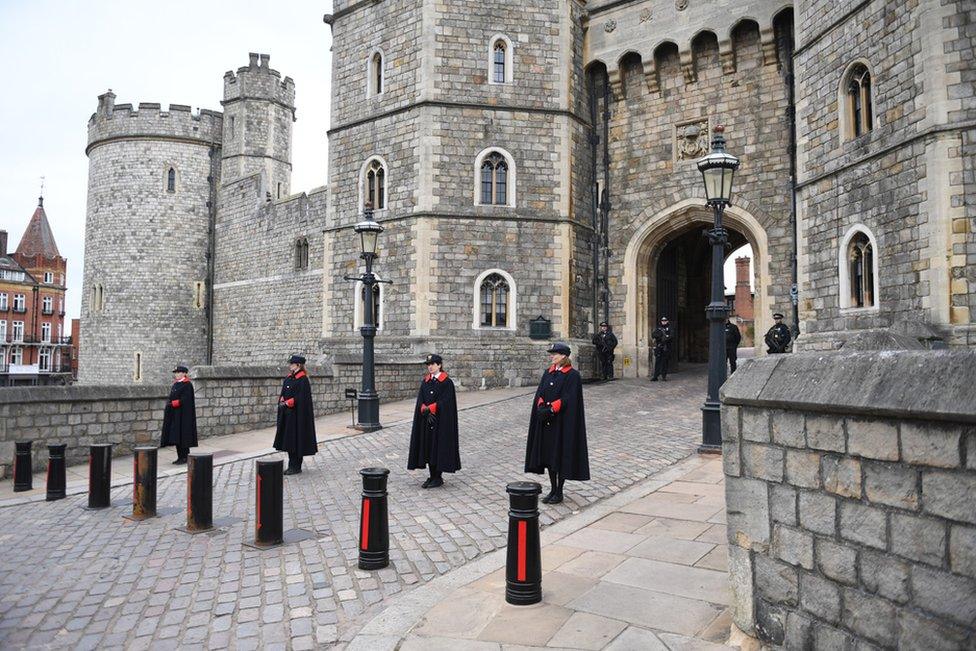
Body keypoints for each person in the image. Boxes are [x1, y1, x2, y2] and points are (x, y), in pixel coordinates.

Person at [525, 342, 590, 504]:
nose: (552, 356)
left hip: (561, 422)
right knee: (548, 457)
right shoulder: (548, 373)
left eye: (555, 354)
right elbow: (541, 391)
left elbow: (569, 397)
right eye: (552, 354)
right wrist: (540, 406)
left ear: (564, 356)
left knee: (559, 456)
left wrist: (552, 409)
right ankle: (552, 488)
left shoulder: (572, 375)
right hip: (547, 422)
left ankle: (559, 491)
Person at [407, 354, 461, 488]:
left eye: (433, 364)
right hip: (427, 421)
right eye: (428, 365)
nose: (430, 367)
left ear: (439, 365)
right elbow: (421, 398)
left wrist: (432, 408)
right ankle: (432, 476)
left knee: (438, 447)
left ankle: (438, 477)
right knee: (428, 447)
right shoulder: (426, 382)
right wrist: (423, 407)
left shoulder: (446, 382)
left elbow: (447, 402)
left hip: (440, 422)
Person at [274, 355, 318, 475]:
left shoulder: (303, 380)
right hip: (288, 415)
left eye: (292, 364)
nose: (290, 365)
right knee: (288, 441)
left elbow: (302, 398)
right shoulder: (289, 378)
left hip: (297, 417)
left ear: (298, 365)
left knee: (296, 441)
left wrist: (289, 402)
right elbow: (284, 392)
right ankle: (291, 465)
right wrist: (282, 400)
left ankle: (295, 466)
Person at [161, 365, 198, 464]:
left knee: (184, 437)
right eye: (176, 373)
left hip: (184, 415)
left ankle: (185, 457)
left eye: (179, 372)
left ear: (184, 373)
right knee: (177, 437)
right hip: (175, 414)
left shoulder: (187, 385)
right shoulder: (176, 384)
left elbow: (186, 400)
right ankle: (180, 457)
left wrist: (173, 403)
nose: (177, 374)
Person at [651, 317, 674, 381]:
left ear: (667, 321)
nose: (663, 322)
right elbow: (653, 335)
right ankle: (655, 376)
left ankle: (664, 376)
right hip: (659, 347)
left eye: (665, 321)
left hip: (666, 347)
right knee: (657, 362)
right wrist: (661, 337)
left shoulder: (669, 328)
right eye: (662, 321)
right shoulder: (658, 328)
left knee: (664, 362)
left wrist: (665, 338)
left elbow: (671, 336)